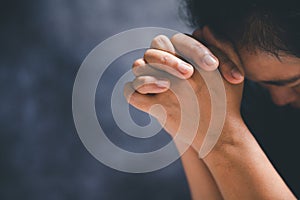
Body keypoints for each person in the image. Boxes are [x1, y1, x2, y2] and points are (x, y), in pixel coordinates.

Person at [124, 0, 299, 199]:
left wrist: (223, 138)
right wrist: (187, 106)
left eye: (297, 83)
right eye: (260, 83)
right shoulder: (257, 106)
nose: (279, 99)